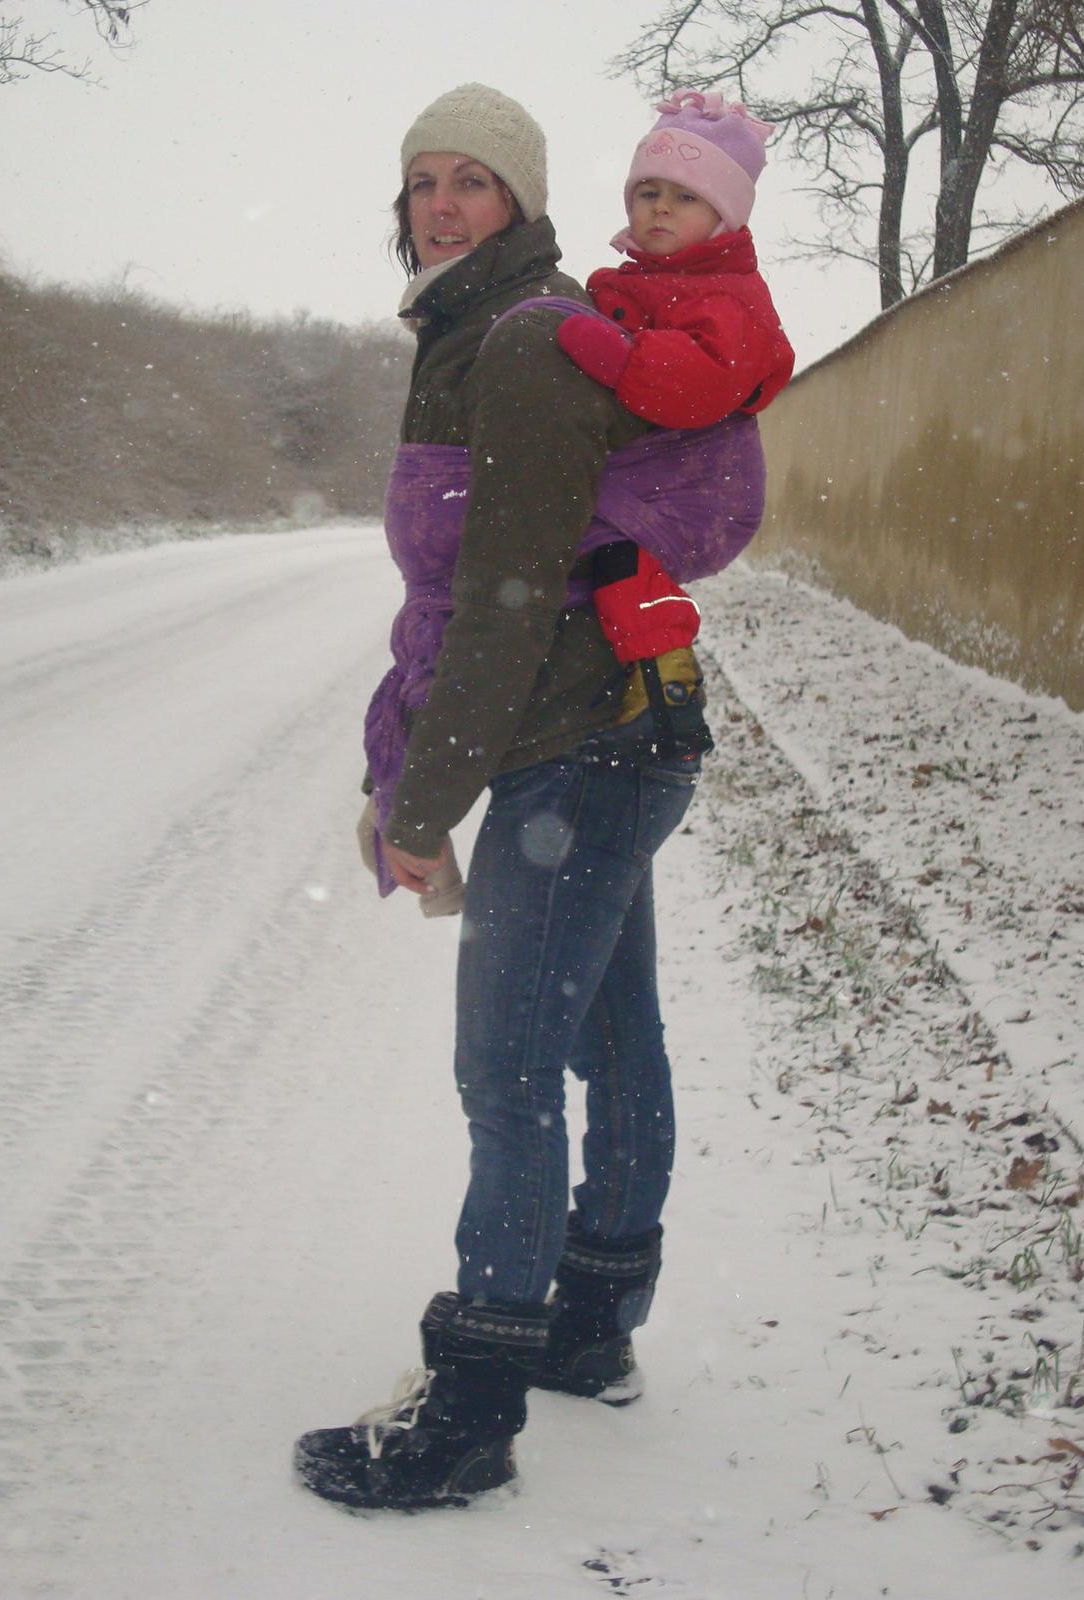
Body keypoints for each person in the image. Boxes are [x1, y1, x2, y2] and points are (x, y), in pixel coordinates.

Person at [294, 84, 711, 1514]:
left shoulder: (524, 340)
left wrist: (423, 802)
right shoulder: (476, 331)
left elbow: (508, 599)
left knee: (509, 1071)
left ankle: (471, 1412)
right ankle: (591, 1324)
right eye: (425, 179)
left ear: (520, 202)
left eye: (473, 180)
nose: (442, 204)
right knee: (611, 1035)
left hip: (579, 749)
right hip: (615, 738)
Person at [556, 90, 794, 728]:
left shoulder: (730, 295)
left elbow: (700, 383)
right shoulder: (638, 282)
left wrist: (617, 354)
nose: (660, 207)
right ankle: (630, 676)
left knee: (611, 551)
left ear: (723, 217)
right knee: (590, 554)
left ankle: (665, 676)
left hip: (706, 486)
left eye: (686, 197)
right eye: (648, 191)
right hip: (661, 478)